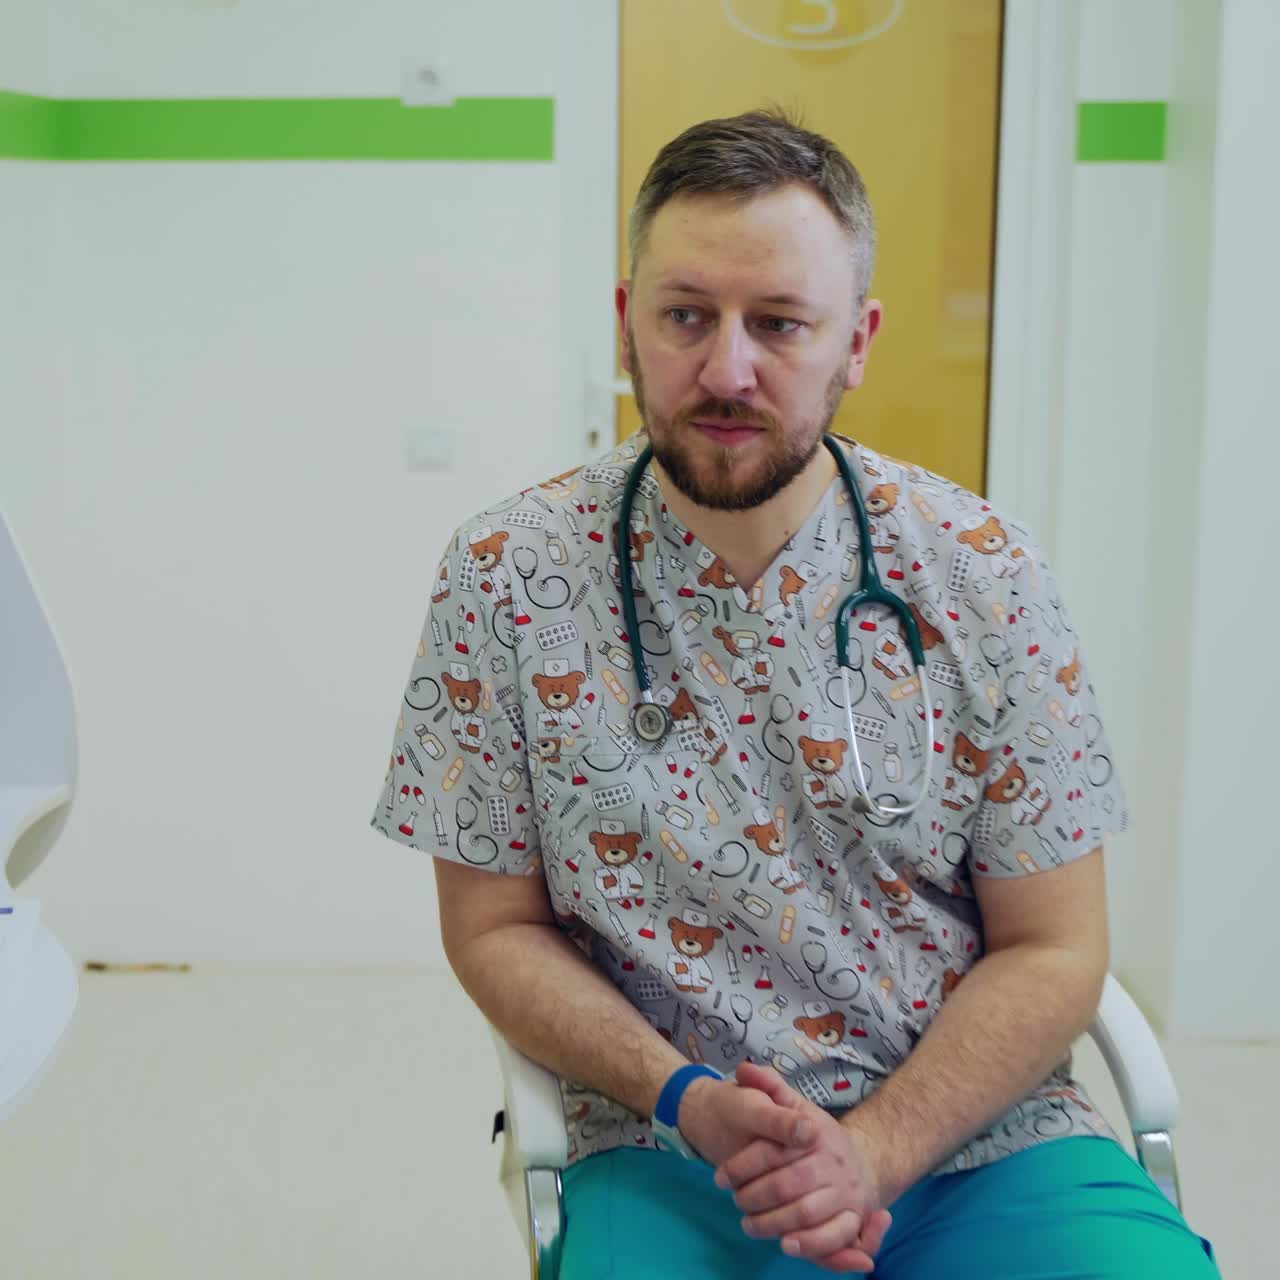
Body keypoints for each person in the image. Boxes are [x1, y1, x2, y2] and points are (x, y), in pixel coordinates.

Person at [370, 109, 1219, 1278]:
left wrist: (871, 1149)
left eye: (778, 323)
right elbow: (491, 924)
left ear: (855, 342)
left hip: (976, 1135)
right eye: (685, 316)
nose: (726, 368)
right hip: (669, 1140)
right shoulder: (506, 576)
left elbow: (1056, 946)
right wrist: (687, 1099)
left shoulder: (982, 572)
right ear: (626, 324)